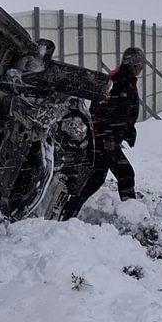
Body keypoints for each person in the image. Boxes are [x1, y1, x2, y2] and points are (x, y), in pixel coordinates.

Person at [62, 47, 143, 217]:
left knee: (95, 179)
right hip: (105, 141)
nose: (140, 68)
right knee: (126, 173)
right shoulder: (116, 82)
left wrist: (128, 130)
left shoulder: (127, 81)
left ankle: (67, 213)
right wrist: (107, 136)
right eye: (138, 64)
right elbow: (99, 111)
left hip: (108, 139)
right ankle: (132, 216)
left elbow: (123, 111)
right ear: (131, 64)